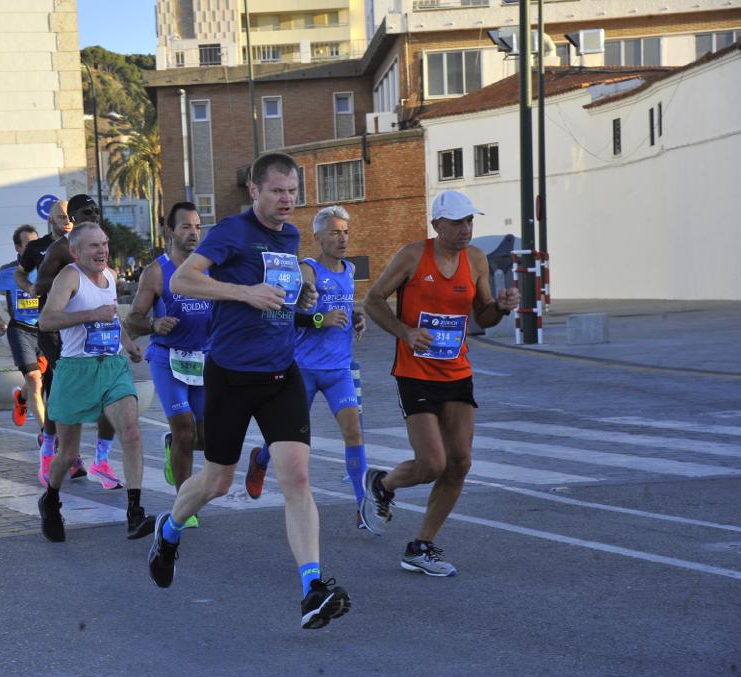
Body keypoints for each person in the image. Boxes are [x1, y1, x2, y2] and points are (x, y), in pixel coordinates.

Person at [147, 152, 352, 630]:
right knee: (218, 482)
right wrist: (246, 293)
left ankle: (312, 587)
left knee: (297, 479)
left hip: (281, 374)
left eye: (293, 192)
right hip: (231, 376)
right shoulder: (229, 233)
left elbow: (294, 270)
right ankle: (169, 529)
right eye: (277, 191)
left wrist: (304, 287)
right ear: (254, 191)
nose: (286, 200)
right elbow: (183, 279)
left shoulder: (291, 234)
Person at [360, 189, 519, 577]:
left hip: (457, 372)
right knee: (432, 463)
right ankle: (383, 484)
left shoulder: (476, 260)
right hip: (415, 374)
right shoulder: (413, 256)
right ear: (437, 225)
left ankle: (421, 545)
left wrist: (498, 306)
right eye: (458, 222)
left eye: (470, 222)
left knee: (460, 462)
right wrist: (405, 331)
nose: (466, 229)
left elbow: (483, 315)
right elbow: (373, 300)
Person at [244, 206, 369, 524]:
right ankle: (259, 460)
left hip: (339, 368)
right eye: (335, 232)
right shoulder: (308, 270)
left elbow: (344, 305)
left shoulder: (350, 270)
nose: (342, 239)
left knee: (354, 433)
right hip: (303, 369)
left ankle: (363, 504)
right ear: (318, 237)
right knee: (285, 437)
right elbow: (289, 314)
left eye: (345, 232)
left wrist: (356, 319)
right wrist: (319, 317)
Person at [37, 222, 155, 541]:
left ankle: (134, 512)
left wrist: (127, 342)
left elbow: (112, 315)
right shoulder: (70, 276)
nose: (102, 250)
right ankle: (51, 499)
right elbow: (47, 320)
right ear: (75, 251)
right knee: (68, 454)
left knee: (130, 432)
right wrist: (91, 316)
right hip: (76, 370)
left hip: (112, 367)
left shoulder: (111, 276)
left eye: (104, 244)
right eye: (93, 245)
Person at [20, 194, 123, 490]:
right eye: (86, 211)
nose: (94, 214)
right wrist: (70, 287)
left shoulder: (99, 243)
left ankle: (101, 459)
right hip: (58, 331)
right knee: (63, 394)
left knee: (109, 392)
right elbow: (39, 287)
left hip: (95, 330)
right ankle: (49, 450)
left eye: (96, 210)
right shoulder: (60, 249)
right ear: (73, 218)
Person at [126, 201, 210, 529]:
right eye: (186, 226)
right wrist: (154, 325)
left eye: (198, 226)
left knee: (205, 439)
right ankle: (184, 507)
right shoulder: (157, 271)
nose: (193, 232)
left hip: (204, 358)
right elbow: (133, 320)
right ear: (170, 231)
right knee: (185, 430)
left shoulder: (209, 268)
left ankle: (172, 446)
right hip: (167, 359)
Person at [0, 225, 47, 436]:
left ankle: (21, 398)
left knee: (40, 378)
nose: (35, 249)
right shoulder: (7, 271)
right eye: (29, 244)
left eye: (37, 243)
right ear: (18, 247)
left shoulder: (47, 268)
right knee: (34, 379)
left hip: (45, 330)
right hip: (20, 331)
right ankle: (45, 433)